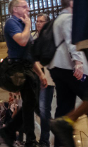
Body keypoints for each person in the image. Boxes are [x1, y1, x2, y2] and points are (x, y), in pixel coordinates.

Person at [48, 0, 88, 147]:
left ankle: (61, 143)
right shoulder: (68, 18)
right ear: (72, 4)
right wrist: (78, 62)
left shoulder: (56, 21)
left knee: (64, 105)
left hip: (56, 68)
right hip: (70, 67)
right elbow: (71, 41)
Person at [0, 0, 48, 147]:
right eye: (25, 7)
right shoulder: (12, 23)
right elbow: (22, 41)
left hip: (27, 67)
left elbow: (29, 55)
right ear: (15, 10)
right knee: (30, 102)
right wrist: (28, 25)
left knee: (30, 103)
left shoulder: (21, 24)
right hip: (18, 69)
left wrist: (40, 74)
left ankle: (12, 131)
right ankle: (29, 139)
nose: (28, 9)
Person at [35, 13, 56, 147]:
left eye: (41, 21)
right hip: (34, 79)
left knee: (44, 109)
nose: (38, 23)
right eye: (37, 21)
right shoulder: (32, 38)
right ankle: (55, 127)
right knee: (37, 108)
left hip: (47, 79)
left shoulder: (51, 38)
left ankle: (44, 141)